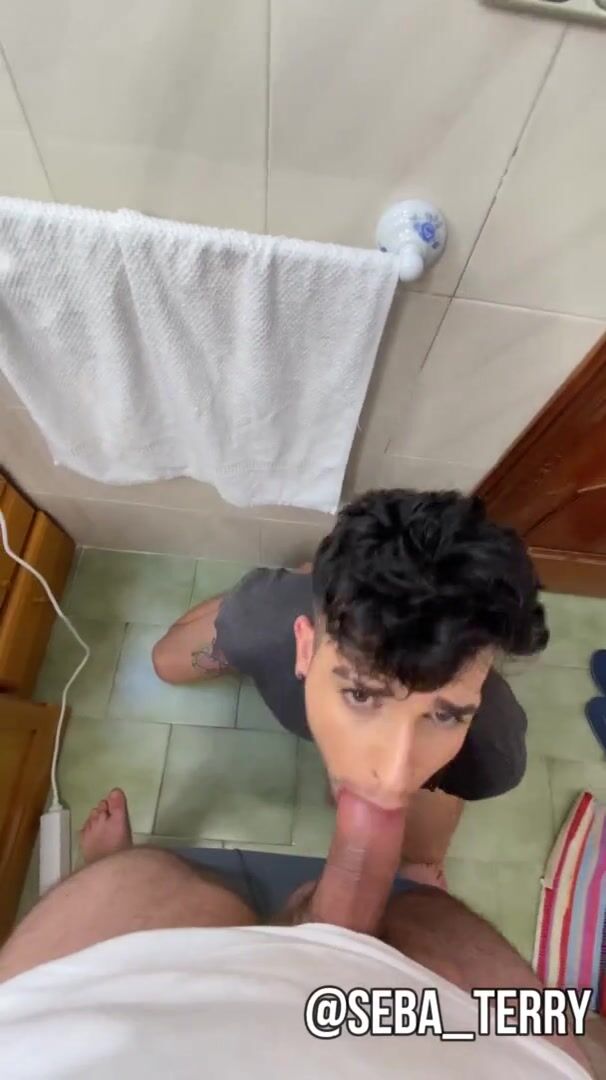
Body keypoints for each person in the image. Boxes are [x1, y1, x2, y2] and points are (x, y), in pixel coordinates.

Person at [0, 788, 591, 1077]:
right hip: (427, 1026)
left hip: (112, 1024)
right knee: (551, 1022)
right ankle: (384, 905)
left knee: (148, 890)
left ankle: (115, 879)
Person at [152, 489, 548, 883]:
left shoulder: (490, 752)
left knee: (420, 865)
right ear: (304, 647)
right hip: (284, 606)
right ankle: (309, 581)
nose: (392, 782)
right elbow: (170, 655)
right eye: (361, 695)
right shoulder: (262, 621)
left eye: (445, 716)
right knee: (167, 664)